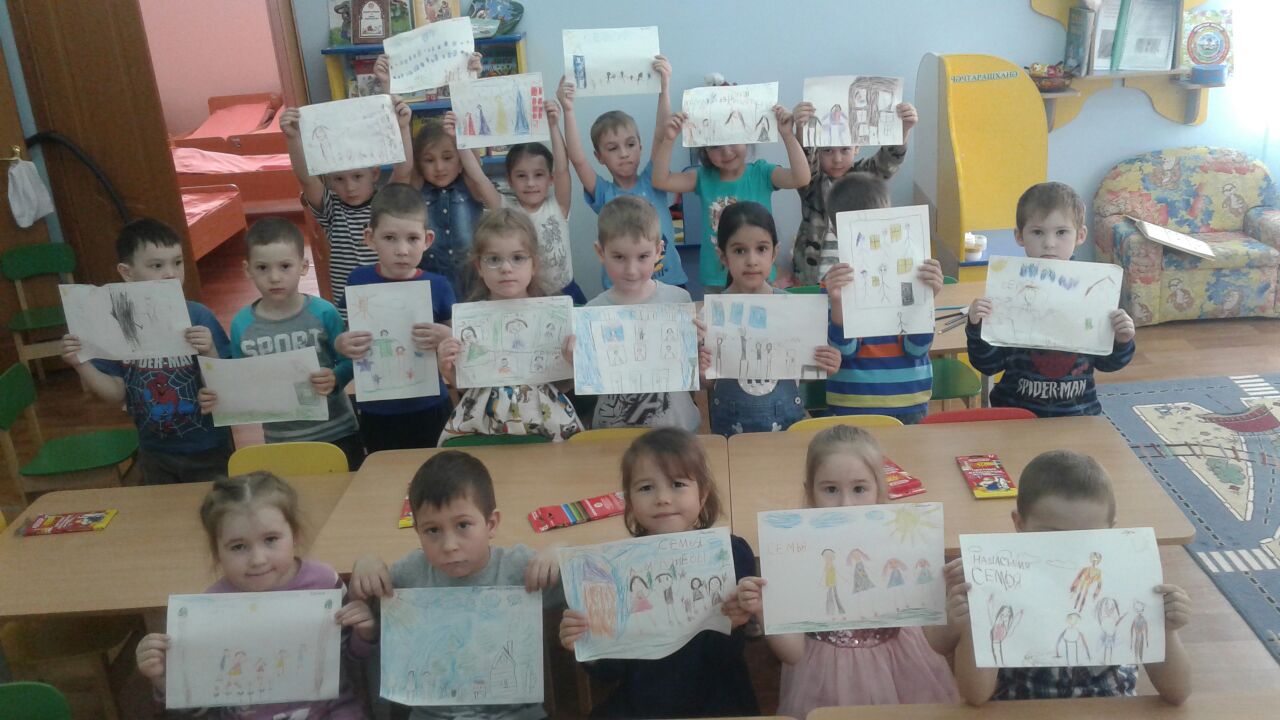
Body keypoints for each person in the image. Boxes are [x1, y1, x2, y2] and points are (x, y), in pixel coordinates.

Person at [735, 425, 958, 717]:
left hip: (903, 663)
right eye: (830, 489)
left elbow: (939, 641)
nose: (845, 504)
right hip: (825, 674)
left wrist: (948, 597)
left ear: (880, 489)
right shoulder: (796, 554)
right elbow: (792, 653)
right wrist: (766, 611)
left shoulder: (904, 543)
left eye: (859, 489)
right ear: (810, 491)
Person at [943, 450, 1192, 705]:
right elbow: (975, 696)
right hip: (1023, 708)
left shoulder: (1129, 584)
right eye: (1052, 536)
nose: (1070, 551)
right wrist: (975, 626)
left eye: (1087, 537)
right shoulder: (998, 586)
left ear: (1111, 529)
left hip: (1109, 707)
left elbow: (1178, 693)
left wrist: (1166, 630)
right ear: (1020, 524)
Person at [135, 472, 373, 718]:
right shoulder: (210, 608)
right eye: (238, 546)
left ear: (295, 536)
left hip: (331, 711)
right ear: (217, 552)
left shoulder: (324, 583)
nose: (258, 560)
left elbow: (350, 662)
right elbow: (201, 705)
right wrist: (166, 682)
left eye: (271, 539)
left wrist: (364, 634)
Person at [559, 428, 760, 718]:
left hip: (717, 698)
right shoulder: (616, 570)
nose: (663, 498)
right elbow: (610, 672)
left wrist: (738, 622)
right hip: (645, 703)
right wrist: (586, 642)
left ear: (702, 494)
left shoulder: (731, 555)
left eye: (678, 484)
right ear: (629, 501)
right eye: (646, 488)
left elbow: (725, 657)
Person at [348, 451, 563, 720]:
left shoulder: (518, 568)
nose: (449, 545)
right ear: (417, 531)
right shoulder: (410, 574)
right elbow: (366, 620)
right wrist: (365, 564)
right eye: (433, 530)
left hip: (517, 714)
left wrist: (561, 553)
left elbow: (585, 590)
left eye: (463, 525)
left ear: (491, 524)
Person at [60, 218, 232, 484]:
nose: (171, 274)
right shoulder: (115, 325)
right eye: (157, 266)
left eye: (178, 262)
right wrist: (80, 363)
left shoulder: (199, 316)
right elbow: (116, 394)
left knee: (216, 505)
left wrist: (208, 349)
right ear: (127, 273)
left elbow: (227, 385)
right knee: (161, 507)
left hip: (208, 446)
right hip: (154, 451)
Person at [196, 218, 363, 470]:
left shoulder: (324, 312)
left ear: (303, 266)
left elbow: (350, 361)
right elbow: (241, 381)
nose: (274, 277)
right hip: (281, 440)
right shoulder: (242, 324)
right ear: (247, 270)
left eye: (285, 266)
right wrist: (219, 395)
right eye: (262, 268)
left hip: (338, 432)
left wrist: (336, 377)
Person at [965, 182, 1137, 417]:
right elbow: (988, 364)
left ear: (1080, 235)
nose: (1049, 243)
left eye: (1061, 232)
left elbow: (1109, 364)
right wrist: (977, 328)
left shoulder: (1095, 292)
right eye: (1037, 232)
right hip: (1015, 416)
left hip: (1078, 415)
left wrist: (1121, 340)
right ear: (1019, 236)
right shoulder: (1006, 291)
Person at [436, 209, 583, 443]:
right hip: (483, 421)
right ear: (479, 266)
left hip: (544, 419)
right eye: (494, 259)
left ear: (534, 264)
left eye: (518, 258)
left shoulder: (552, 316)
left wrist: (574, 360)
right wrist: (447, 369)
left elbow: (563, 384)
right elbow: (466, 384)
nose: (506, 268)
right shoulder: (470, 321)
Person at [697, 202, 840, 434]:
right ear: (723, 256)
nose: (752, 260)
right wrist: (703, 373)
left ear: (774, 253)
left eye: (761, 249)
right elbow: (710, 382)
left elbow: (801, 374)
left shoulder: (792, 308)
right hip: (730, 432)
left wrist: (825, 364)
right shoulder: (711, 314)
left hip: (786, 426)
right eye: (739, 251)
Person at [334, 183, 455, 452]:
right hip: (377, 408)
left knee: (435, 466)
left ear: (428, 240)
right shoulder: (358, 280)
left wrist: (446, 336)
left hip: (430, 403)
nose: (402, 249)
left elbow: (457, 340)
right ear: (370, 237)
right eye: (390, 238)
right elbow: (350, 334)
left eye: (412, 238)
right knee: (383, 469)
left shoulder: (439, 285)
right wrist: (342, 343)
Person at [822, 174, 944, 423]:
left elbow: (917, 348)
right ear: (836, 232)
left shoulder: (911, 275)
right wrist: (838, 305)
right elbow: (844, 352)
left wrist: (926, 300)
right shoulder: (832, 286)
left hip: (909, 399)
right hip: (852, 402)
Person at [558, 55, 688, 290]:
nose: (624, 154)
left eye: (630, 144)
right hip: (622, 291)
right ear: (599, 157)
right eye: (612, 148)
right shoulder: (604, 193)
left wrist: (664, 88)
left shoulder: (654, 180)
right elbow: (578, 160)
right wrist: (568, 110)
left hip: (669, 285)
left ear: (640, 147)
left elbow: (662, 135)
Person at [280, 96, 415, 318]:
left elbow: (404, 169)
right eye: (339, 179)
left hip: (391, 299)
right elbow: (306, 179)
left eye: (357, 176)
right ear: (330, 180)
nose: (350, 187)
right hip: (350, 308)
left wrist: (402, 128)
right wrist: (293, 138)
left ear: (374, 174)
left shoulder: (385, 204)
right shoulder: (332, 209)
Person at [379, 53, 501, 298]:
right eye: (429, 160)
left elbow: (472, 146)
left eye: (447, 158)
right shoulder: (415, 190)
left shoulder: (471, 185)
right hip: (428, 291)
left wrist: (472, 77)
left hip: (473, 289)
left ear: (460, 161)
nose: (439, 167)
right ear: (419, 164)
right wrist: (387, 87)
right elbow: (403, 163)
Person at [652, 104, 812, 291]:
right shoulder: (703, 178)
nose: (726, 152)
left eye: (733, 140)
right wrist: (669, 139)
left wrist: (787, 135)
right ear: (704, 149)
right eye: (715, 146)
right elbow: (660, 180)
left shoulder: (761, 173)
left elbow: (801, 178)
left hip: (758, 275)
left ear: (747, 137)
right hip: (716, 280)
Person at [584, 196, 700, 432]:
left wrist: (700, 346)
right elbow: (586, 381)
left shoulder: (678, 300)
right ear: (600, 252)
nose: (631, 270)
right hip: (614, 432)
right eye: (619, 257)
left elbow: (694, 372)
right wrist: (574, 359)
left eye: (643, 257)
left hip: (676, 429)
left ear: (659, 251)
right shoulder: (592, 313)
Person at [790, 100, 918, 285]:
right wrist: (802, 130)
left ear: (857, 146)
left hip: (859, 276)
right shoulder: (812, 181)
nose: (837, 159)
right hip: (814, 278)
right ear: (817, 150)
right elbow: (805, 163)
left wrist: (903, 129)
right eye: (827, 150)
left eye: (845, 149)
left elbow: (886, 163)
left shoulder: (863, 176)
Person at [504, 96, 586, 304]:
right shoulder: (507, 210)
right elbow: (479, 181)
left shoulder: (558, 205)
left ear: (550, 179)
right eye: (521, 176)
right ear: (510, 181)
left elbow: (562, 168)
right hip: (527, 297)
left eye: (538, 175)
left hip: (566, 291)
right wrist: (464, 142)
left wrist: (553, 125)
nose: (530, 183)